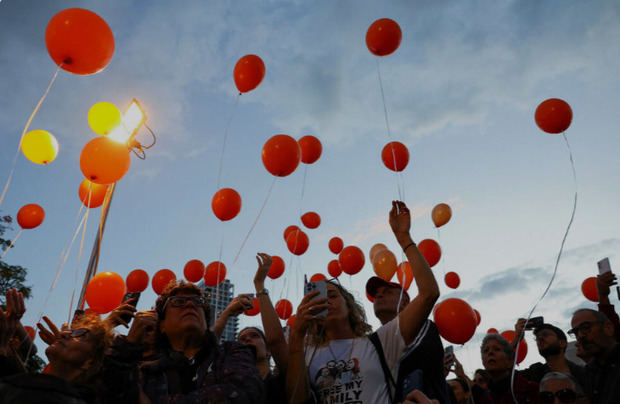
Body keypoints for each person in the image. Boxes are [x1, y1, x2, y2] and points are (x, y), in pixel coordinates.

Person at [286, 200, 440, 404]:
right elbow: (296, 400)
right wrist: (296, 335)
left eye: (332, 296)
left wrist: (404, 238)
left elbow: (429, 293)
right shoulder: (307, 355)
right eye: (319, 299)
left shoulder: (381, 342)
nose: (326, 302)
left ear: (349, 305)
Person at [139, 280, 264, 403]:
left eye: (198, 302)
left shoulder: (231, 351)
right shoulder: (146, 371)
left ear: (206, 321)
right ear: (162, 325)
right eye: (178, 302)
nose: (190, 304)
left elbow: (244, 392)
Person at [0, 300, 113, 404]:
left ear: (90, 361)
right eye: (70, 331)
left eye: (80, 333)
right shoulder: (26, 385)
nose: (63, 333)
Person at [365, 276, 450, 403]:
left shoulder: (423, 326)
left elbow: (410, 361)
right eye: (376, 294)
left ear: (405, 303)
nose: (379, 296)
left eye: (388, 292)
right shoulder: (371, 343)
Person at [513, 320, 587, 388]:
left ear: (562, 343)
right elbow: (506, 376)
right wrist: (516, 339)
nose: (540, 338)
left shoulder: (583, 374)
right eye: (537, 337)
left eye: (545, 334)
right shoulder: (534, 372)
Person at [569, 308, 619, 403]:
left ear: (608, 328)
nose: (580, 336)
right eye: (575, 332)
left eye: (586, 327)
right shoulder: (589, 372)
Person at [476, 334, 538, 404]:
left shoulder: (531, 390)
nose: (490, 352)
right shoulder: (484, 399)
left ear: (510, 362)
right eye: (486, 350)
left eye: (497, 349)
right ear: (483, 362)